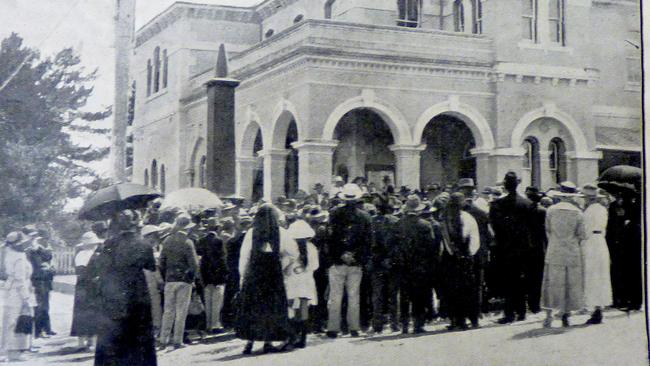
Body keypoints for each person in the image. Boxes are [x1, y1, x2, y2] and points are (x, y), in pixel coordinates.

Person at [93, 209, 157, 366]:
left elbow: (101, 267)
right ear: (134, 224)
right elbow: (151, 266)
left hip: (115, 293)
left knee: (114, 335)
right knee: (140, 333)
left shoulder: (109, 244)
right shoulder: (144, 243)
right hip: (137, 292)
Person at [236, 204, 299, 355]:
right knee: (270, 308)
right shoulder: (282, 233)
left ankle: (249, 342)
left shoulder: (251, 233)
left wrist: (243, 275)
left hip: (254, 275)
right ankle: (267, 342)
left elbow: (244, 256)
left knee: (253, 308)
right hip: (273, 276)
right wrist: (283, 266)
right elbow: (292, 254)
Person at [325, 184, 372, 338]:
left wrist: (340, 254)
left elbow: (330, 239)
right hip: (355, 261)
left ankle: (333, 328)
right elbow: (367, 241)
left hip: (337, 261)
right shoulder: (365, 217)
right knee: (354, 296)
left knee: (335, 296)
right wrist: (354, 255)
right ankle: (354, 327)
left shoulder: (334, 214)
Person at [540, 183, 587, 328]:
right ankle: (566, 313)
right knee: (569, 283)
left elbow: (547, 230)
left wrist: (554, 241)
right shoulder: (578, 212)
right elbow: (581, 235)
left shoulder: (551, 210)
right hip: (571, 251)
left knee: (551, 283)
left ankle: (548, 316)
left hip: (554, 249)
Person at [489, 172, 533, 324]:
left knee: (508, 280)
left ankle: (509, 313)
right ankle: (521, 311)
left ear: (505, 185)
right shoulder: (527, 203)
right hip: (523, 247)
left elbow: (495, 226)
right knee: (520, 279)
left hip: (505, 248)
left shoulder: (497, 205)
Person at [394, 195, 436, 334]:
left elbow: (393, 246)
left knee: (404, 296)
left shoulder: (398, 224)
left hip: (403, 265)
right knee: (419, 295)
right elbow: (431, 247)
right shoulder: (425, 225)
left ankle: (405, 324)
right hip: (420, 265)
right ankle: (418, 324)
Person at [158, 214, 200, 350]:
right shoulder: (188, 242)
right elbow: (194, 264)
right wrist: (192, 279)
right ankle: (177, 340)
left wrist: (165, 276)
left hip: (170, 279)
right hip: (184, 280)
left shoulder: (167, 240)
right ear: (187, 228)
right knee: (181, 311)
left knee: (168, 311)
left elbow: (161, 262)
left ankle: (163, 339)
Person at [440, 193, 481, 330]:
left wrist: (453, 253)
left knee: (452, 290)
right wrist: (469, 254)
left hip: (451, 260)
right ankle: (473, 319)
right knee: (469, 289)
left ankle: (456, 320)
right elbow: (475, 240)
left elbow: (446, 244)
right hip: (466, 259)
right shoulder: (468, 218)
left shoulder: (445, 219)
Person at [0, 232, 36, 362]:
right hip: (19, 292)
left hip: (11, 291)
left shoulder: (7, 254)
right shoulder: (19, 257)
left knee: (10, 321)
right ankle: (14, 352)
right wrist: (26, 298)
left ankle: (6, 350)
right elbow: (20, 280)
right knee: (20, 321)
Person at [284, 220, 320, 349]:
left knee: (292, 308)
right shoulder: (312, 248)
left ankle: (293, 336)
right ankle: (303, 338)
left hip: (292, 281)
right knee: (304, 309)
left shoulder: (289, 248)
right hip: (306, 282)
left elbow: (285, 265)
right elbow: (315, 266)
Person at [581, 184, 612, 324]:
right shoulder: (602, 209)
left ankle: (595, 308)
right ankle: (599, 306)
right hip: (600, 241)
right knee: (601, 274)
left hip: (591, 242)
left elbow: (585, 230)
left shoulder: (588, 212)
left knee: (592, 275)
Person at [368, 194, 400, 333]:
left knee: (378, 295)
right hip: (392, 262)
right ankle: (394, 323)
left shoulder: (372, 222)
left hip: (377, 262)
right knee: (393, 295)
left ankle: (377, 325)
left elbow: (370, 243)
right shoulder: (396, 221)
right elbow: (399, 243)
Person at [70, 232, 103, 350]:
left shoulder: (78, 255)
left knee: (80, 312)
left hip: (81, 286)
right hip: (93, 287)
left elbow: (78, 271)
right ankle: (91, 342)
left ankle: (80, 341)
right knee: (93, 312)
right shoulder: (96, 256)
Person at [195, 218, 227, 334]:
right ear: (217, 228)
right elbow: (222, 259)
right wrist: (225, 273)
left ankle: (208, 324)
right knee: (217, 301)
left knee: (207, 301)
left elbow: (200, 258)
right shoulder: (219, 241)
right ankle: (215, 324)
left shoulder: (201, 241)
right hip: (218, 275)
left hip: (206, 275)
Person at [24, 231, 55, 339]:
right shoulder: (27, 251)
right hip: (35, 281)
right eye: (31, 237)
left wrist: (39, 248)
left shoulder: (40, 249)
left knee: (45, 306)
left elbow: (49, 257)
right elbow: (33, 266)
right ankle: (38, 332)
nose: (34, 239)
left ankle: (47, 328)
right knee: (38, 307)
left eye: (35, 237)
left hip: (45, 281)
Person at [140, 225, 167, 336]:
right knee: (155, 304)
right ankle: (156, 327)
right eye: (154, 235)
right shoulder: (147, 248)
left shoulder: (151, 247)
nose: (156, 237)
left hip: (147, 278)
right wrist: (160, 280)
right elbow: (153, 267)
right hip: (149, 277)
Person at [524, 186, 547, 314]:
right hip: (539, 247)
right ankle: (536, 304)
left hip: (527, 246)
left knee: (528, 276)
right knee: (538, 277)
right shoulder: (543, 211)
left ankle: (531, 303)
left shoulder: (524, 210)